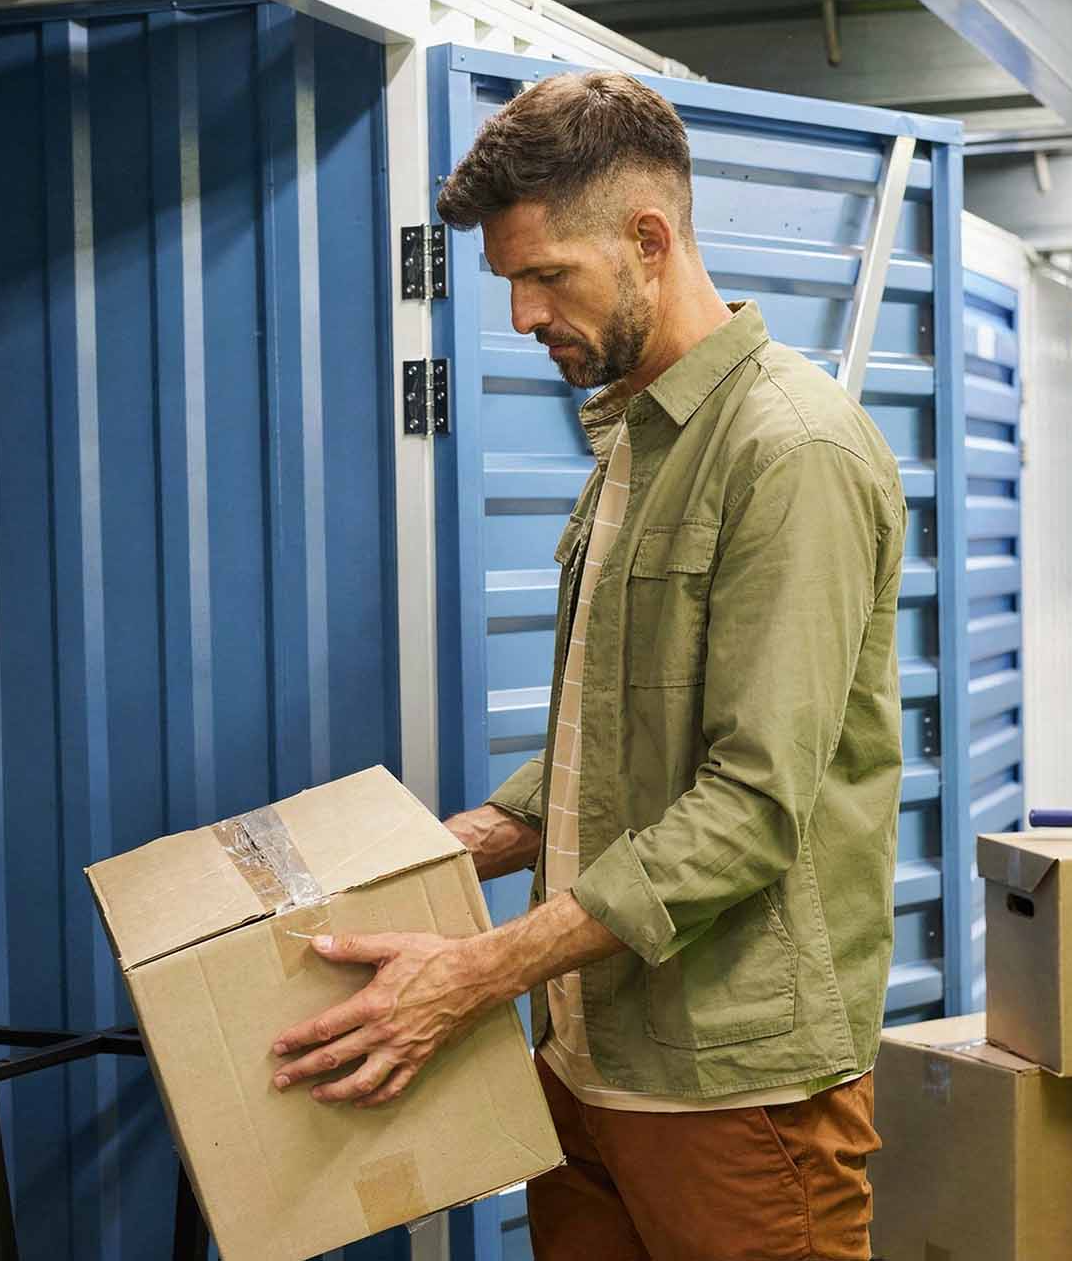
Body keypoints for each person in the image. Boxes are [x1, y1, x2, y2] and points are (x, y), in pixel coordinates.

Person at [267, 70, 904, 1261]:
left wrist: (476, 973)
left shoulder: (790, 450)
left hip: (728, 1085)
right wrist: (450, 850)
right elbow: (609, 737)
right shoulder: (631, 444)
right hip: (586, 1055)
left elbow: (750, 808)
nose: (520, 316)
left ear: (648, 240)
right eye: (507, 281)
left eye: (545, 276)